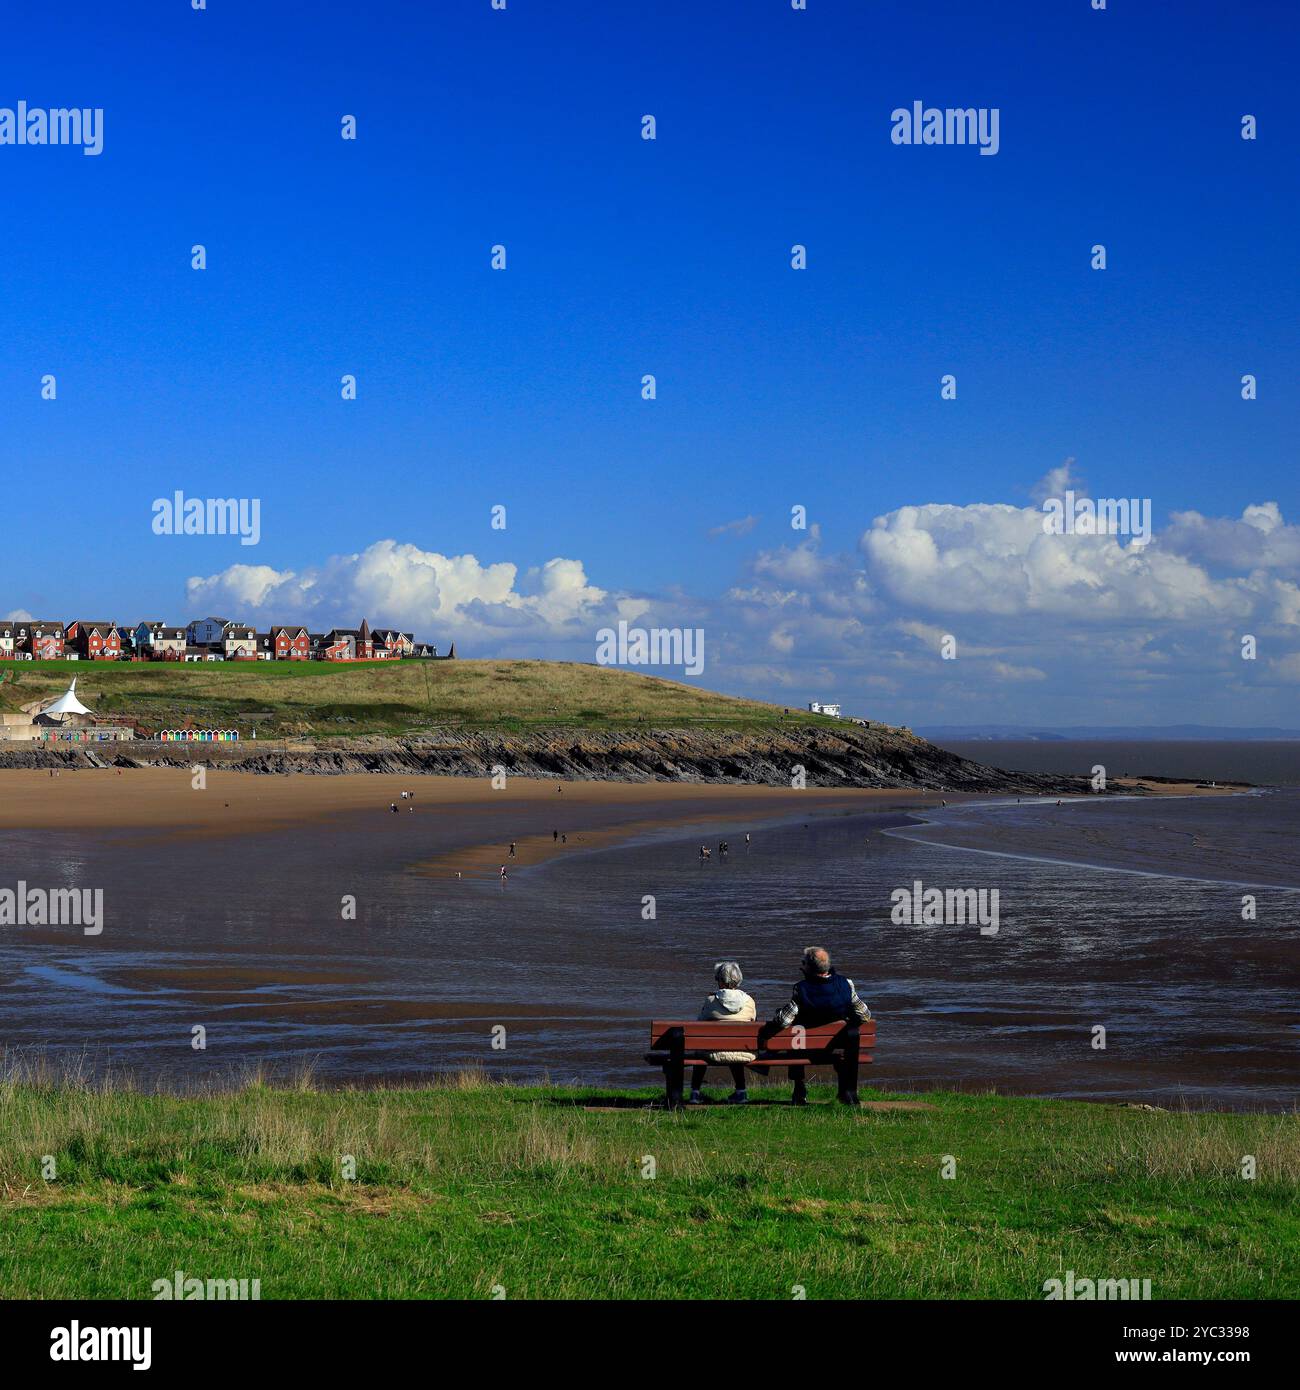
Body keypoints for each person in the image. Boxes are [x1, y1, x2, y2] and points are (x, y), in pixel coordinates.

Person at [771, 947, 871, 1105]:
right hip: (835, 1044)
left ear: (809, 967)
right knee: (849, 1034)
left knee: (794, 1034)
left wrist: (779, 1012)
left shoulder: (801, 988)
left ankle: (799, 1089)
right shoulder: (846, 984)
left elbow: (783, 1021)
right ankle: (847, 1093)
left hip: (803, 1047)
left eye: (803, 963)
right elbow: (865, 1015)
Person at [688, 962, 757, 1105]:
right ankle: (741, 1092)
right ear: (739, 979)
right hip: (743, 1052)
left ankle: (695, 1093)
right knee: (735, 1045)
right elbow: (754, 1021)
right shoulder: (749, 1001)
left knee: (701, 1046)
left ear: (720, 980)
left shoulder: (711, 1001)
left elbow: (699, 1025)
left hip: (714, 1053)